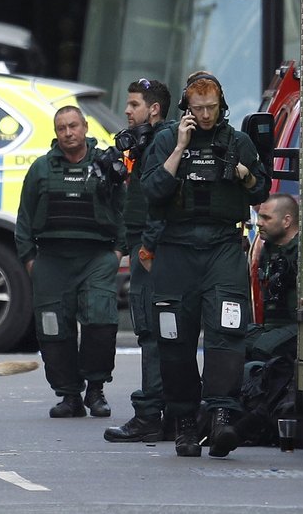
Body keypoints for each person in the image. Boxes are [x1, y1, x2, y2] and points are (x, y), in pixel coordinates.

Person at [140, 71, 270, 458]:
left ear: (222, 106)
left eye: (212, 108)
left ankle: (220, 418)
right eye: (199, 109)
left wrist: (244, 175)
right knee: (174, 339)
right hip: (176, 249)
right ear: (186, 110)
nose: (207, 115)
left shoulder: (238, 142)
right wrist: (180, 148)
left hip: (223, 248)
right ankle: (183, 421)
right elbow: (152, 192)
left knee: (226, 333)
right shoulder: (166, 139)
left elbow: (261, 190)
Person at [15, 106, 126, 419]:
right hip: (51, 259)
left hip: (96, 258)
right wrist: (30, 261)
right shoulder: (40, 169)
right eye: (62, 128)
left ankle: (96, 389)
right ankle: (69, 395)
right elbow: (24, 220)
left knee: (101, 323)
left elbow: (125, 210)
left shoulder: (106, 164)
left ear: (85, 127)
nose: (68, 133)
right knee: (53, 329)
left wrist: (117, 253)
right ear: (56, 132)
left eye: (73, 126)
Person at [104, 78, 174, 443]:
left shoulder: (160, 142)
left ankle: (149, 415)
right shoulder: (148, 143)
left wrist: (146, 247)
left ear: (154, 109)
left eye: (133, 105)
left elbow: (160, 200)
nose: (127, 111)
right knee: (161, 332)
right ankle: (174, 415)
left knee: (149, 330)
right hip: (146, 247)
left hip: (152, 252)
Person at [247, 193, 298, 362]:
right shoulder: (266, 249)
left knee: (263, 348)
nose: (258, 222)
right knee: (227, 344)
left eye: (266, 218)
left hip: (299, 327)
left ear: (287, 221)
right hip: (269, 326)